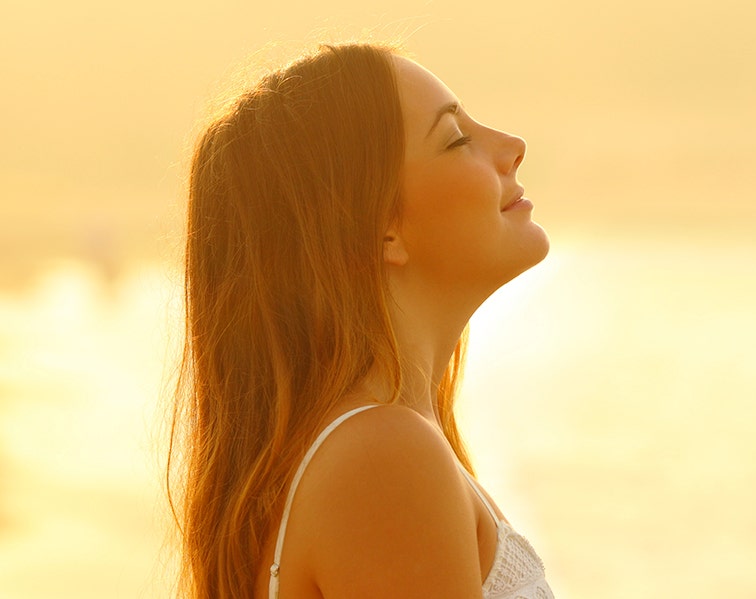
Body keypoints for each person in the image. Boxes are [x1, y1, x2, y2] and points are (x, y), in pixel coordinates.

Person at [167, 42, 555, 599]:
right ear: (381, 230)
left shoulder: (374, 444)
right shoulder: (385, 456)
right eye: (456, 139)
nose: (513, 146)